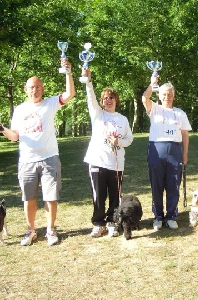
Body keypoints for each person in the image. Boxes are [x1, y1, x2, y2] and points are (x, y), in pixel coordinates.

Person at [0, 57, 76, 246]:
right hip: (27, 161)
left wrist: (69, 72)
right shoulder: (20, 110)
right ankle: (31, 230)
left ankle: (50, 230)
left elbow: (70, 93)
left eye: (38, 87)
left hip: (49, 159)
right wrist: (2, 130)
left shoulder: (50, 103)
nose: (35, 90)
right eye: (31, 87)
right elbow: (15, 136)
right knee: (29, 198)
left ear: (43, 89)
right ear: (26, 90)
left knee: (51, 197)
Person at [82, 68, 133, 238]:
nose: (108, 100)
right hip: (97, 161)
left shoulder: (122, 119)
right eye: (105, 98)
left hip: (116, 163)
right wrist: (88, 81)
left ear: (116, 100)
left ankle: (112, 221)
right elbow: (90, 98)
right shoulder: (97, 114)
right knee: (98, 196)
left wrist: (119, 142)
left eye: (111, 97)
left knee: (115, 196)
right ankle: (98, 223)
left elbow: (129, 139)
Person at [142, 75, 192, 230]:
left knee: (173, 184)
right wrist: (152, 84)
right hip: (157, 149)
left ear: (173, 95)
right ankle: (158, 216)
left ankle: (171, 216)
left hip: (175, 151)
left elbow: (185, 135)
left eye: (170, 94)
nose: (167, 97)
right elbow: (144, 98)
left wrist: (185, 155)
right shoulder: (155, 108)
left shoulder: (180, 113)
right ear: (159, 95)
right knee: (157, 185)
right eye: (164, 94)